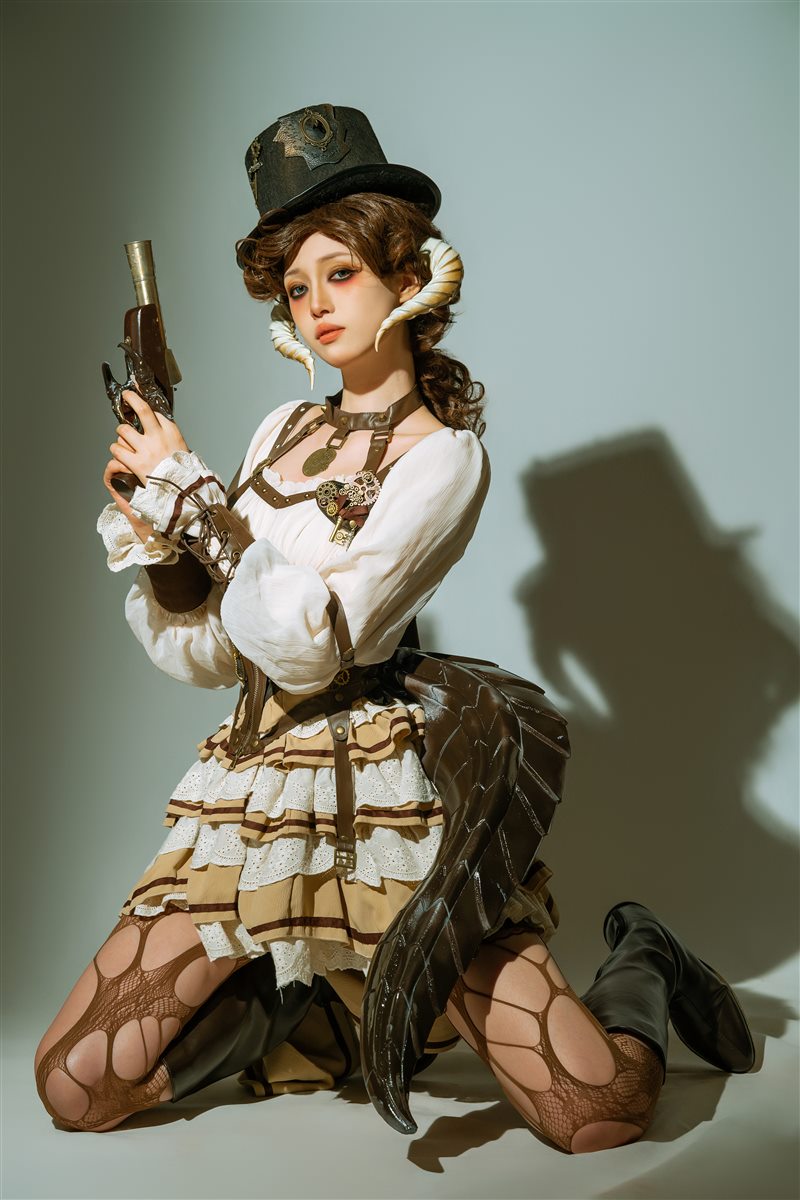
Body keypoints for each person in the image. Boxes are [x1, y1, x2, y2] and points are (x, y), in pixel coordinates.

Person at [34, 104, 754, 1153]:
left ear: (406, 273)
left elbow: (316, 643)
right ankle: (311, 1013)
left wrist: (197, 503)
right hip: (255, 794)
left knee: (592, 1112)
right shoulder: (281, 429)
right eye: (296, 286)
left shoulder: (443, 456)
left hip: (387, 807)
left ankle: (641, 956)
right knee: (75, 1087)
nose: (317, 304)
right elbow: (220, 652)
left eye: (341, 272)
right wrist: (161, 539)